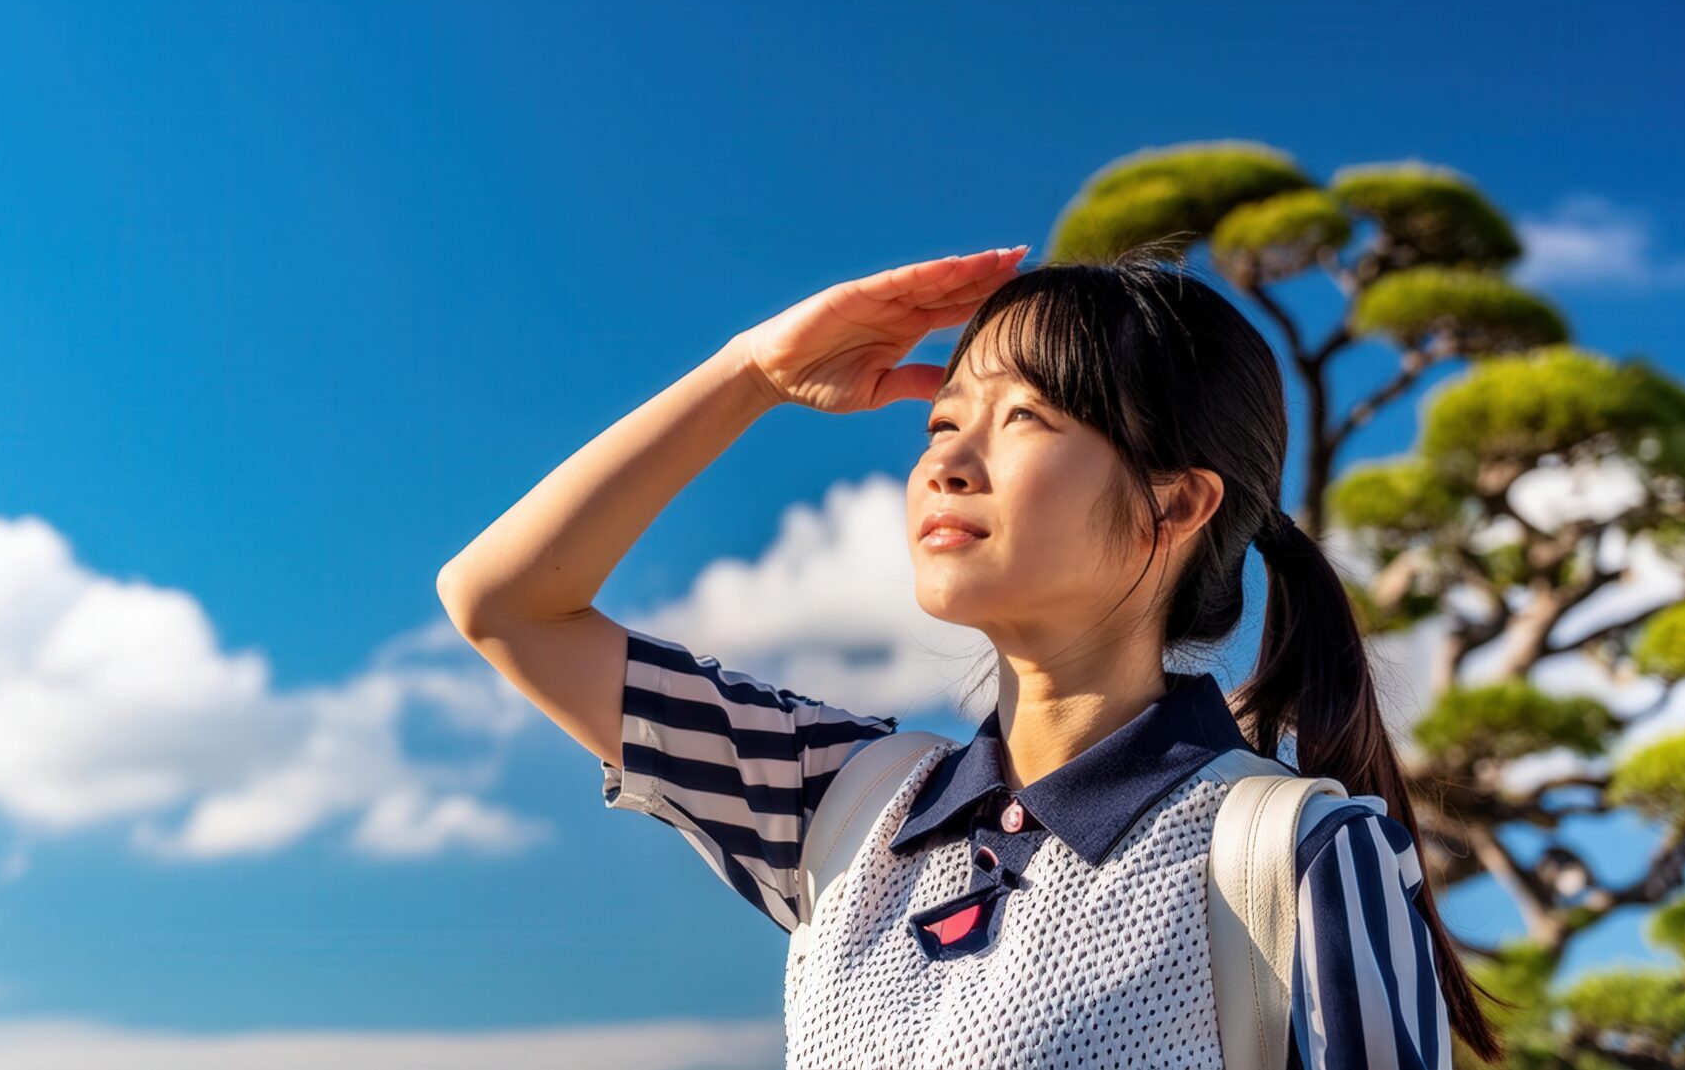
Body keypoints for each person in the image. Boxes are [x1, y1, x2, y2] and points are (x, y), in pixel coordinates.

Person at [437, 247, 1506, 1068]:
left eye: (1026, 417)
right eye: (940, 421)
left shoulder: (1295, 852)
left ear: (1176, 501)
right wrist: (752, 370)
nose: (948, 455)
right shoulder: (847, 807)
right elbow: (504, 602)